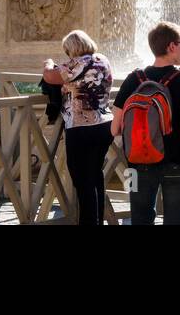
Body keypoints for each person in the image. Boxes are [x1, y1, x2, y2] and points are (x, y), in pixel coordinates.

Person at [112, 21, 180, 225]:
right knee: (176, 221)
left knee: (139, 218)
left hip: (136, 164)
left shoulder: (132, 79)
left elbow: (115, 128)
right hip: (177, 162)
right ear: (171, 46)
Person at [42, 30, 114, 225]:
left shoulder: (79, 62)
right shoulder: (103, 60)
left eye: (68, 51)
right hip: (104, 125)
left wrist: (48, 63)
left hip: (82, 128)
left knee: (82, 180)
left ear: (73, 48)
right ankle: (97, 220)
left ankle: (88, 222)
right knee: (95, 175)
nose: (68, 56)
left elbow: (50, 76)